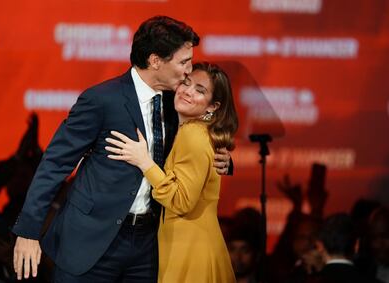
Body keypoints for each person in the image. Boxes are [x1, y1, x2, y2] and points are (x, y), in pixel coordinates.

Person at [12, 16, 232, 282]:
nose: (188, 71)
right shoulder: (102, 99)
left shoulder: (177, 105)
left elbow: (195, 148)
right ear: (155, 61)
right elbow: (55, 164)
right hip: (91, 242)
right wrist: (28, 231)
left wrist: (223, 161)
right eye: (183, 62)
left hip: (148, 247)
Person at [105, 62, 237, 282]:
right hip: (188, 243)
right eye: (186, 83)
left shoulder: (193, 134)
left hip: (189, 249)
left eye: (200, 90)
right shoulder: (193, 128)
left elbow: (182, 201)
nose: (188, 91)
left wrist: (144, 162)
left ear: (212, 106)